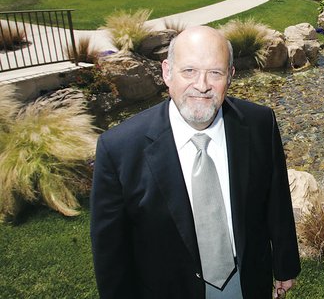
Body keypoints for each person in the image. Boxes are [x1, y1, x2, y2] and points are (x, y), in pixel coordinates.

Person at [90, 25, 300, 298]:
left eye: (215, 73)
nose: (202, 86)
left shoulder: (259, 123)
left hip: (247, 281)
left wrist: (285, 264)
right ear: (167, 72)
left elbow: (276, 200)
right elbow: (110, 251)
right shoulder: (118, 149)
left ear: (231, 75)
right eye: (189, 71)